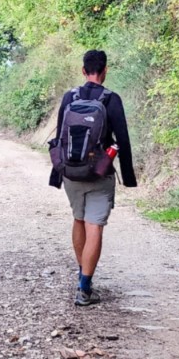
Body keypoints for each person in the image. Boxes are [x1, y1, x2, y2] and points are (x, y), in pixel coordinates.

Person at [48, 49, 136, 306]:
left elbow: (61, 139)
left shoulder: (69, 97)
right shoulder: (111, 99)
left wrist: (57, 174)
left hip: (71, 174)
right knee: (94, 225)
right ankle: (84, 288)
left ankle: (82, 274)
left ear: (83, 71)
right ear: (105, 70)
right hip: (99, 172)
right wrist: (128, 177)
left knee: (78, 219)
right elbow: (124, 140)